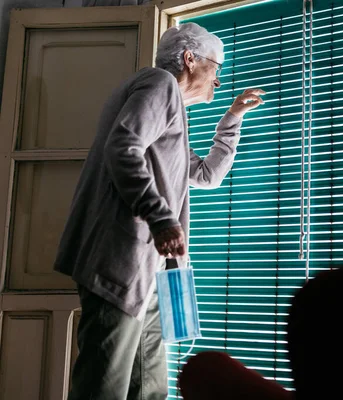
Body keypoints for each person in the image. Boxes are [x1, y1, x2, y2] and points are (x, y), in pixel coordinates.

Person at [54, 22, 265, 399]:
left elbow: (205, 175)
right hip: (123, 260)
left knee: (150, 387)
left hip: (155, 274)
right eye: (216, 68)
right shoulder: (157, 83)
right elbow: (123, 147)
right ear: (189, 59)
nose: (218, 81)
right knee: (104, 386)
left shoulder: (172, 110)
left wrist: (233, 117)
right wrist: (162, 217)